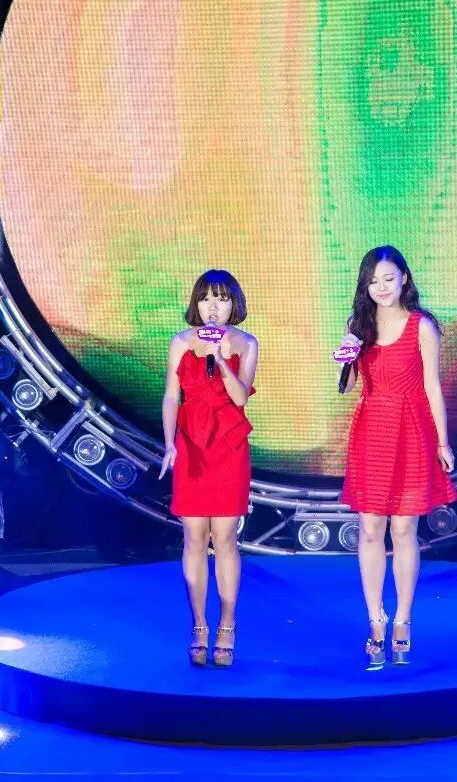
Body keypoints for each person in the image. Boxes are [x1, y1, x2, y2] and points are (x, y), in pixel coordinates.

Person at [334, 246, 457, 669]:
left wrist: (443, 442)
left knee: (404, 529)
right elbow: (347, 387)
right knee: (370, 529)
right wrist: (347, 353)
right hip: (372, 431)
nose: (382, 287)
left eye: (389, 278)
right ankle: (375, 619)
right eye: (373, 281)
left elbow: (432, 387)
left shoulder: (422, 326)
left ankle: (403, 618)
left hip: (412, 430)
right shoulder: (359, 326)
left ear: (404, 278)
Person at [159, 269, 258, 667]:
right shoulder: (181, 342)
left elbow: (240, 397)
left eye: (221, 298)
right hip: (191, 448)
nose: (212, 307)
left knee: (225, 538)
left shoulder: (246, 343)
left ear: (234, 304)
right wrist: (169, 442)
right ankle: (199, 624)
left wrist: (220, 358)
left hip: (228, 448)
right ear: (196, 304)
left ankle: (227, 624)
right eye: (205, 298)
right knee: (194, 538)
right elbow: (171, 395)